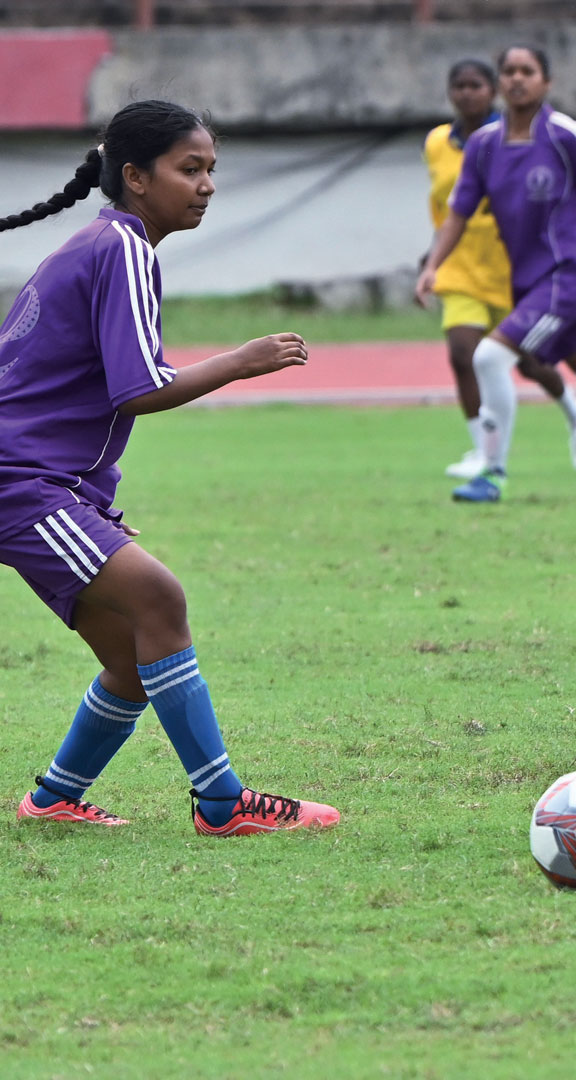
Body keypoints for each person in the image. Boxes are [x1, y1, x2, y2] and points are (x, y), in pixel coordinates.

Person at [0, 101, 339, 833]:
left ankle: (55, 797)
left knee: (129, 655)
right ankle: (222, 803)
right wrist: (239, 362)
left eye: (212, 169)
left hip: (43, 482)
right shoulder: (120, 247)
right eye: (190, 169)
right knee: (161, 599)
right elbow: (140, 387)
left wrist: (89, 498)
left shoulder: (100, 245)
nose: (207, 184)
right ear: (135, 176)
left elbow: (56, 386)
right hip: (18, 483)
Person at [415, 44, 576, 503]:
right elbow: (457, 213)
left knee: (488, 357)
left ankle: (491, 471)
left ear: (545, 82)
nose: (518, 79)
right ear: (501, 83)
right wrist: (433, 266)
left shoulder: (564, 136)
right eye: (510, 71)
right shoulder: (482, 148)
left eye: (528, 71)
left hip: (569, 277)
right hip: (530, 283)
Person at [423, 57, 576, 482]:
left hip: (512, 265)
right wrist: (432, 261)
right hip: (463, 266)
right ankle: (482, 452)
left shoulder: (505, 141)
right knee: (463, 354)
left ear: (493, 91)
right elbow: (449, 209)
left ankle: (575, 410)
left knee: (529, 362)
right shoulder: (435, 143)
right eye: (459, 85)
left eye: (477, 85)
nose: (468, 93)